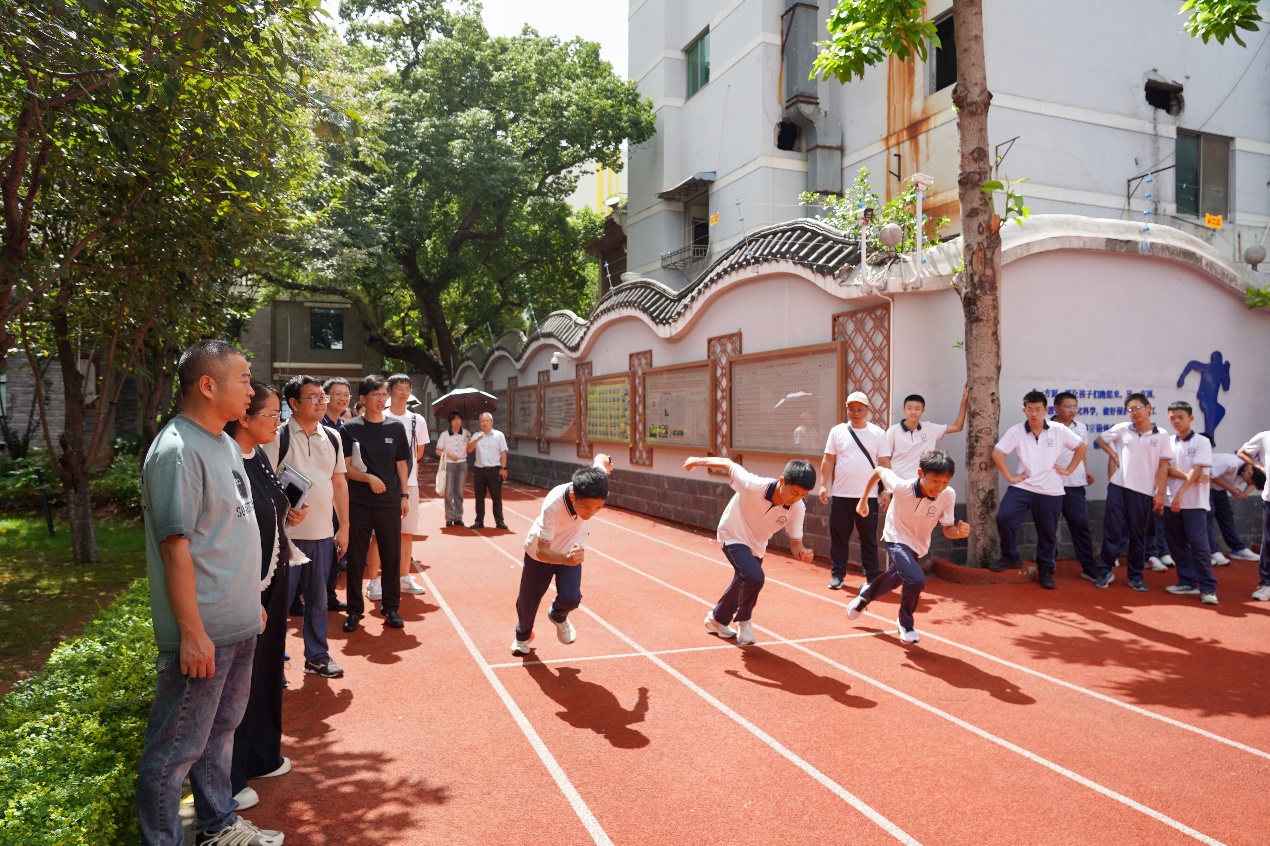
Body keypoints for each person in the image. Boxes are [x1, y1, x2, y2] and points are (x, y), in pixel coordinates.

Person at [136, 340, 284, 846]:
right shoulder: (178, 451)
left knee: (221, 733)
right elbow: (176, 549)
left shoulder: (222, 442)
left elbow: (227, 532)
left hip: (237, 622)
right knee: (172, 753)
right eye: (243, 379)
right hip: (205, 634)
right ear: (207, 384)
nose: (251, 390)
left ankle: (218, 825)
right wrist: (191, 632)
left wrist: (249, 602)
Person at [226, 382, 296, 812]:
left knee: (267, 670)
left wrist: (289, 511)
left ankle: (262, 755)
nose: (277, 423)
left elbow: (269, 509)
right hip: (248, 586)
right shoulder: (227, 459)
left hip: (274, 578)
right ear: (244, 417)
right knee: (238, 683)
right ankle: (231, 776)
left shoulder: (261, 455)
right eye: (271, 415)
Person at [687, 456, 815, 646]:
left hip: (757, 545)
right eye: (794, 492)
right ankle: (744, 620)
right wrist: (696, 460)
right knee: (754, 578)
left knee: (743, 581)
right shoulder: (753, 485)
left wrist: (803, 553)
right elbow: (728, 464)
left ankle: (717, 619)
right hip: (732, 534)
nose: (796, 499)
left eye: (802, 495)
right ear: (782, 481)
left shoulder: (797, 508)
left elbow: (796, 544)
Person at [269, 376, 348, 678]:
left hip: (323, 535)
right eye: (313, 397)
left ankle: (317, 656)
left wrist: (344, 526)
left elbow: (339, 483)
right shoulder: (277, 437)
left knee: (318, 601)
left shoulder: (333, 437)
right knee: (280, 604)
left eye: (322, 397)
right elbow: (265, 486)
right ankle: (274, 660)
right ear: (293, 403)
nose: (320, 402)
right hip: (287, 538)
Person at [847, 450, 970, 643]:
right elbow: (879, 470)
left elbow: (948, 529)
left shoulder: (948, 495)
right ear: (920, 473)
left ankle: (865, 596)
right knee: (916, 579)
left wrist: (959, 532)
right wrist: (863, 500)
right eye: (935, 481)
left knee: (896, 578)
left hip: (918, 545)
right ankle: (905, 623)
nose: (939, 487)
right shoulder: (901, 487)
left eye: (945, 482)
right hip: (895, 536)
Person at [511, 454, 614, 655]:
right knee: (528, 599)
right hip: (540, 553)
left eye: (598, 507)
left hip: (570, 549)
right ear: (574, 496)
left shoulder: (595, 483)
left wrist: (607, 464)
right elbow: (542, 551)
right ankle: (522, 636)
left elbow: (601, 458)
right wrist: (566, 560)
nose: (591, 513)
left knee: (571, 598)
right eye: (586, 507)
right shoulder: (553, 504)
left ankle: (558, 615)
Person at [989, 390, 1087, 589]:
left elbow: (1081, 447)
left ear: (1046, 410)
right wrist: (1010, 477)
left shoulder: (1058, 429)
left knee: (1048, 532)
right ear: (1024, 410)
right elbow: (997, 453)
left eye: (1038, 409)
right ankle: (1010, 556)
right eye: (1030, 409)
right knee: (1004, 518)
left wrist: (1069, 470)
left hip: (1051, 490)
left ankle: (1046, 570)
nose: (1034, 414)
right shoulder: (1016, 431)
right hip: (1023, 486)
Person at [339, 375, 410, 632]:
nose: (381, 400)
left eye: (384, 395)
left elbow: (401, 464)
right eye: (376, 395)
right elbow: (345, 468)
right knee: (356, 558)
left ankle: (390, 608)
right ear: (363, 398)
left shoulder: (395, 427)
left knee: (391, 557)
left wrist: (404, 496)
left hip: (389, 502)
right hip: (358, 502)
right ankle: (354, 611)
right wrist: (368, 478)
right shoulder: (349, 429)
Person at [1097, 393, 1173, 592]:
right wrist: (1114, 455)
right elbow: (1100, 439)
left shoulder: (1162, 435)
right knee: (1112, 530)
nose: (1134, 412)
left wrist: (1160, 493)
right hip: (1118, 486)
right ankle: (1105, 570)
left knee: (1138, 535)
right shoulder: (1122, 429)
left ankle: (1136, 576)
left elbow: (1163, 466)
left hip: (1143, 492)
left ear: (1148, 408)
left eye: (1138, 408)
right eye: (1130, 409)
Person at [819, 390, 892, 590]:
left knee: (868, 538)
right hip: (841, 495)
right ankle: (837, 575)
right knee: (839, 537)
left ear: (867, 410)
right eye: (851, 409)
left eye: (860, 409)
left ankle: (871, 577)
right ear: (846, 410)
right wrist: (823, 484)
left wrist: (886, 490)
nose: (855, 413)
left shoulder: (878, 433)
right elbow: (828, 459)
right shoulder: (837, 431)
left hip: (868, 497)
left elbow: (885, 463)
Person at [1161, 402, 1218, 605]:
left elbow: (1198, 469)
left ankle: (1208, 587)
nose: (1176, 421)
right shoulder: (1167, 442)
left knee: (1199, 545)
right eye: (1172, 418)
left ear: (1191, 418)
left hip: (1194, 503)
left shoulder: (1202, 442)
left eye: (1181, 417)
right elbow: (1166, 469)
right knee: (1176, 545)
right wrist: (1188, 477)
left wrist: (1181, 493)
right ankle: (1187, 581)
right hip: (1170, 502)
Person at [1050, 391, 1107, 587]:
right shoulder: (1046, 426)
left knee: (1081, 527)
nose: (1072, 410)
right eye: (1068, 406)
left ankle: (1089, 567)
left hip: (1074, 485)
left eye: (1075, 406)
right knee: (1049, 528)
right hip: (1051, 485)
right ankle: (1048, 565)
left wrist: (1085, 471)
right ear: (1056, 408)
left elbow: (1081, 453)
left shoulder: (1080, 427)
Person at [384, 373, 429, 595]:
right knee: (380, 535)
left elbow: (418, 452)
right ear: (389, 391)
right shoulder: (380, 416)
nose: (403, 392)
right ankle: (378, 580)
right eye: (399, 388)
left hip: (409, 483)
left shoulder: (417, 420)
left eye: (407, 388)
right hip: (383, 484)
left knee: (407, 533)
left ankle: (404, 577)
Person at [885, 385, 967, 479]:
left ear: (923, 411)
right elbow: (885, 458)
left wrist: (964, 399)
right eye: (909, 408)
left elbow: (957, 427)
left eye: (917, 409)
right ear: (904, 410)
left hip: (922, 482)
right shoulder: (893, 431)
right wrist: (889, 481)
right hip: (898, 481)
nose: (913, 412)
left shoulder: (930, 429)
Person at [1205, 449, 1263, 565]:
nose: (1248, 484)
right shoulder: (1230, 463)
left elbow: (1253, 483)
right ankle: (1213, 551)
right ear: (1249, 473)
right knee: (1208, 517)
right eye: (1249, 482)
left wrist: (1245, 492)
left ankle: (1238, 548)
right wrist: (1231, 489)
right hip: (1204, 485)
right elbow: (1210, 475)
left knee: (1227, 516)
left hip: (1218, 489)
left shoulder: (1255, 469)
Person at [1236, 431, 1270, 601]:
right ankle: (1266, 584)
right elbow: (1242, 452)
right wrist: (1259, 465)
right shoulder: (1265, 437)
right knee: (1269, 542)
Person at [468, 411, 509, 530]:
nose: (484, 423)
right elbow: (469, 449)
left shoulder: (499, 435)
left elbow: (503, 452)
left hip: (494, 470)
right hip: (479, 470)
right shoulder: (476, 435)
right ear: (479, 423)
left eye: (487, 420)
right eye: (482, 421)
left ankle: (499, 521)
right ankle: (479, 520)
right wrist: (476, 440)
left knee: (496, 497)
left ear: (491, 421)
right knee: (479, 497)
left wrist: (503, 468)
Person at [436, 411, 471, 527]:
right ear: (450, 422)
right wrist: (450, 456)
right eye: (454, 419)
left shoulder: (466, 433)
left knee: (459, 491)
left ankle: (458, 517)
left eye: (459, 419)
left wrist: (470, 438)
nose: (457, 422)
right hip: (449, 464)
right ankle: (449, 517)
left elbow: (470, 449)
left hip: (462, 464)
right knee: (448, 492)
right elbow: (438, 451)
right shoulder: (444, 435)